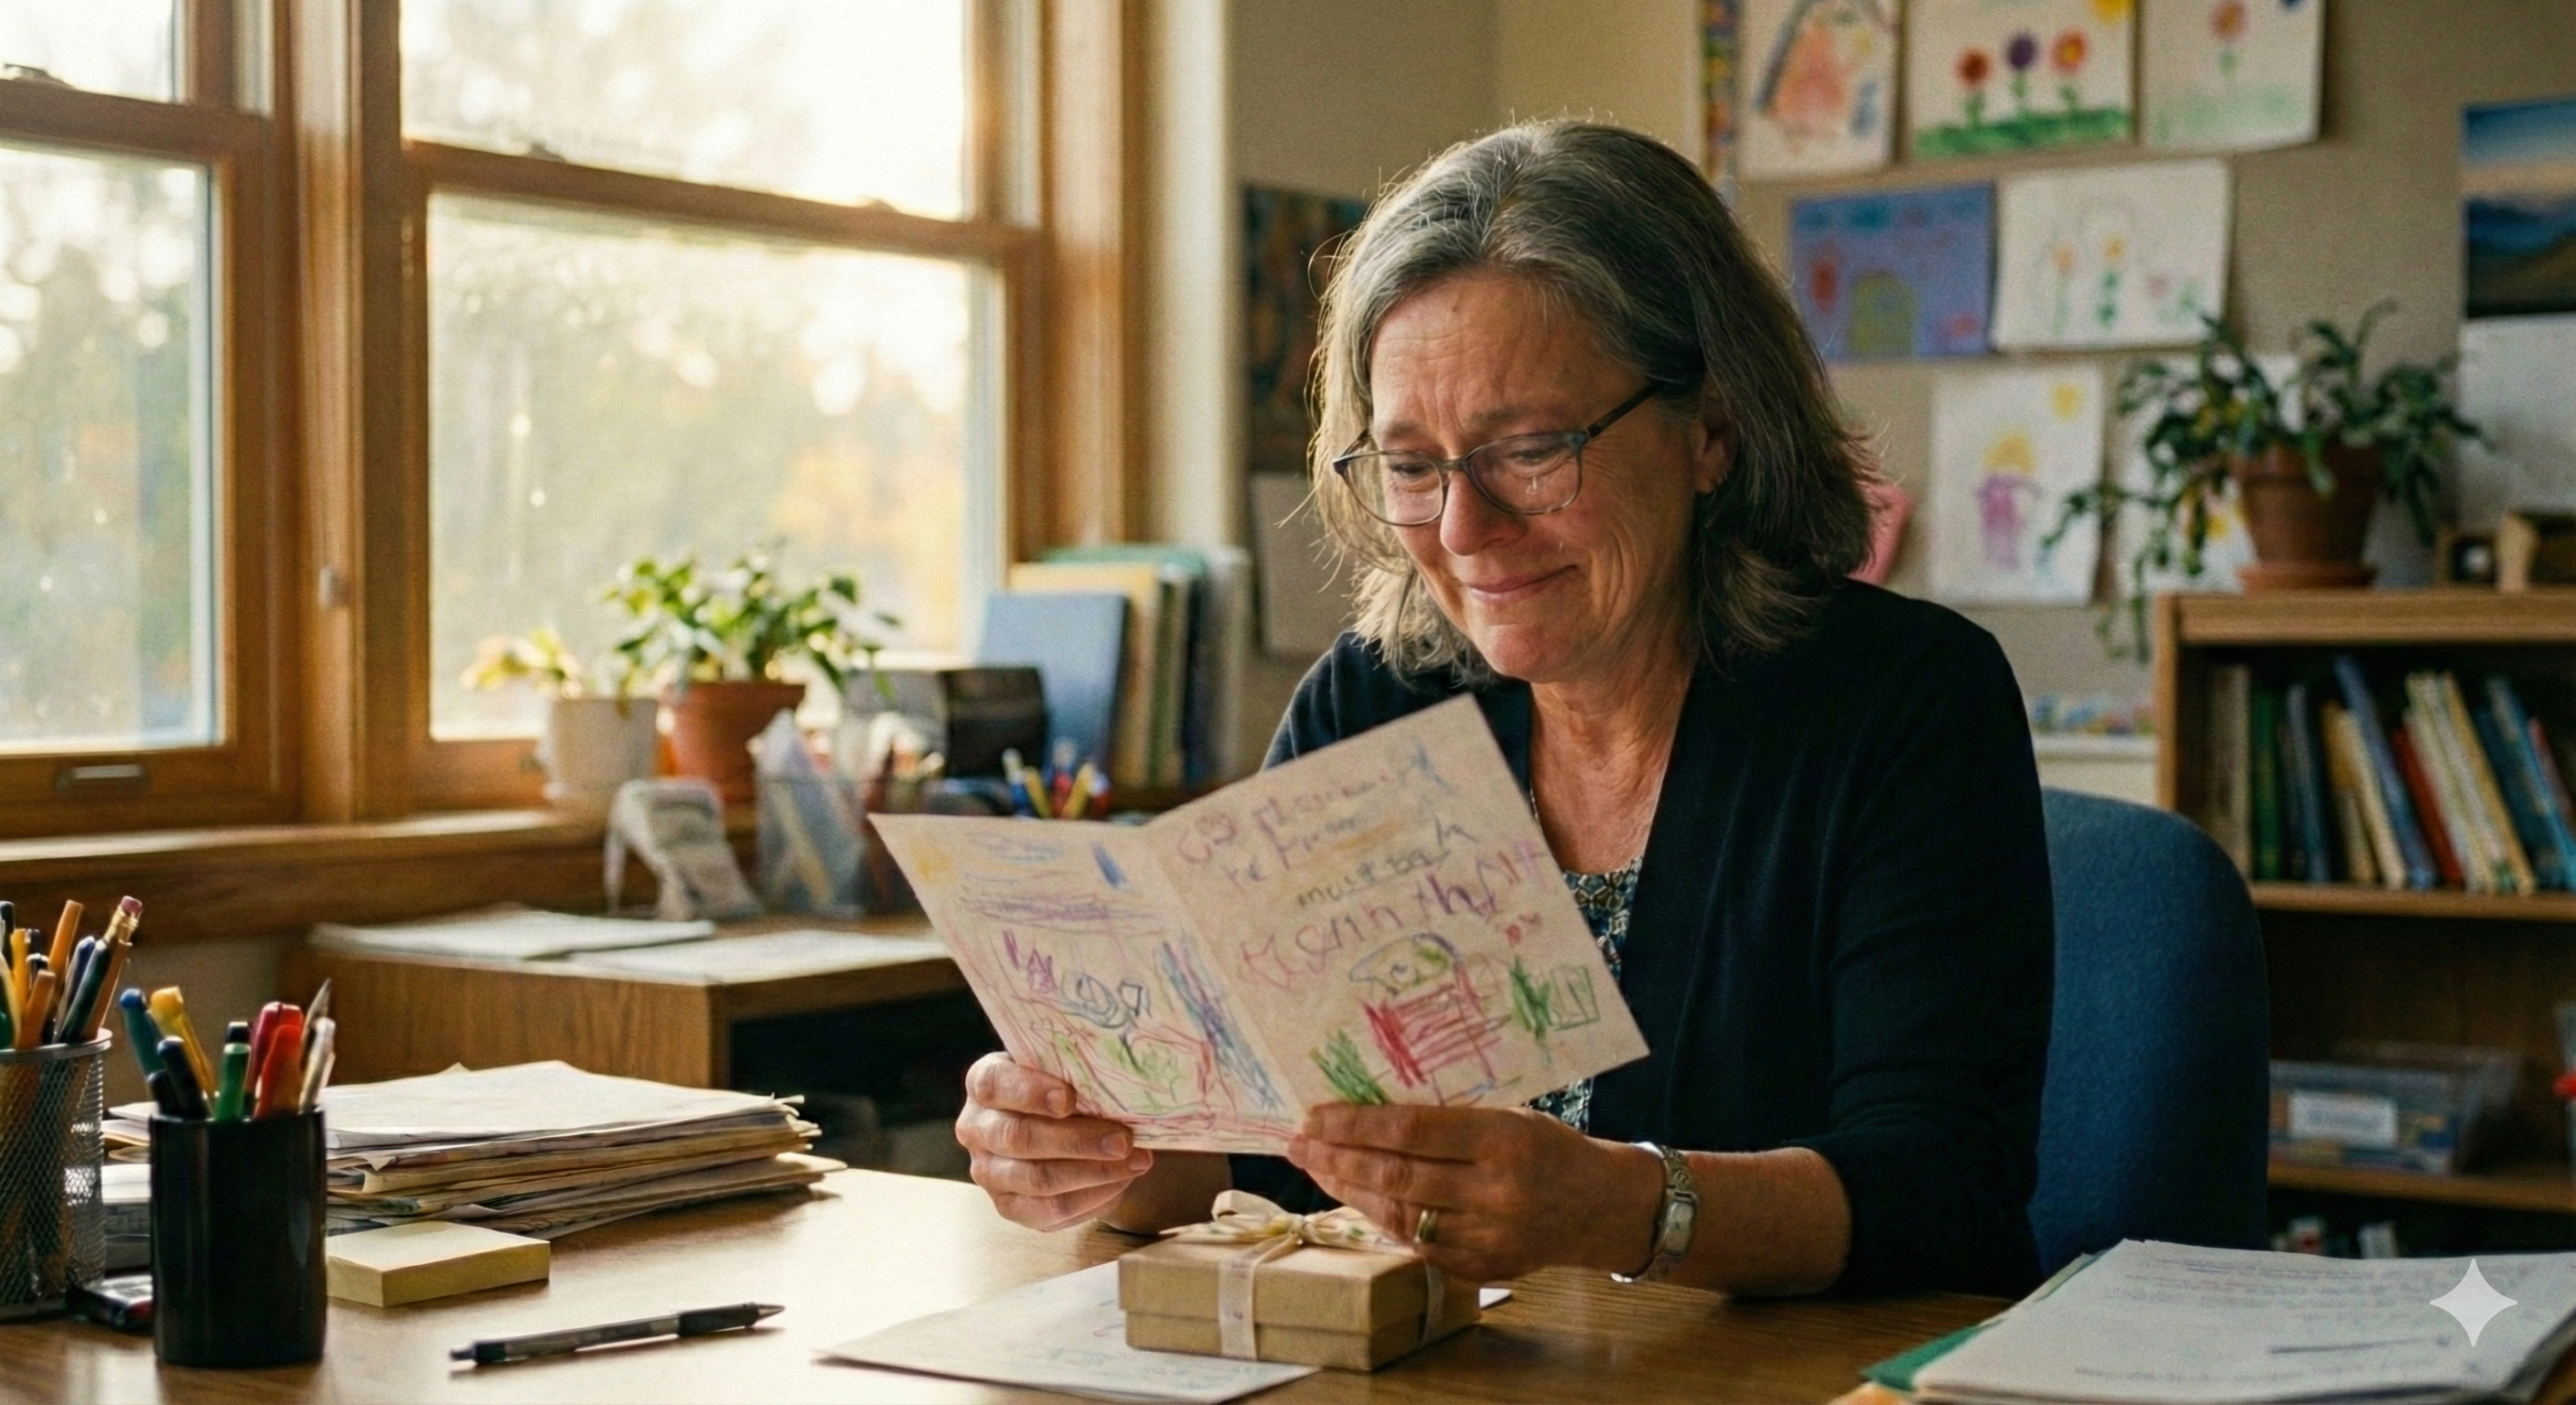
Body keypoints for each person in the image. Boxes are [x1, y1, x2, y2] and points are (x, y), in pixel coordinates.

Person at [954, 120, 2054, 1298]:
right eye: (1413, 466)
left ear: (1713, 430)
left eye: (1530, 450)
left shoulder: (1906, 706)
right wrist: (1103, 1158)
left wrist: (1620, 1208)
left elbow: (1941, 1189)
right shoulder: (1376, 703)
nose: (1466, 532)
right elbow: (1262, 1155)